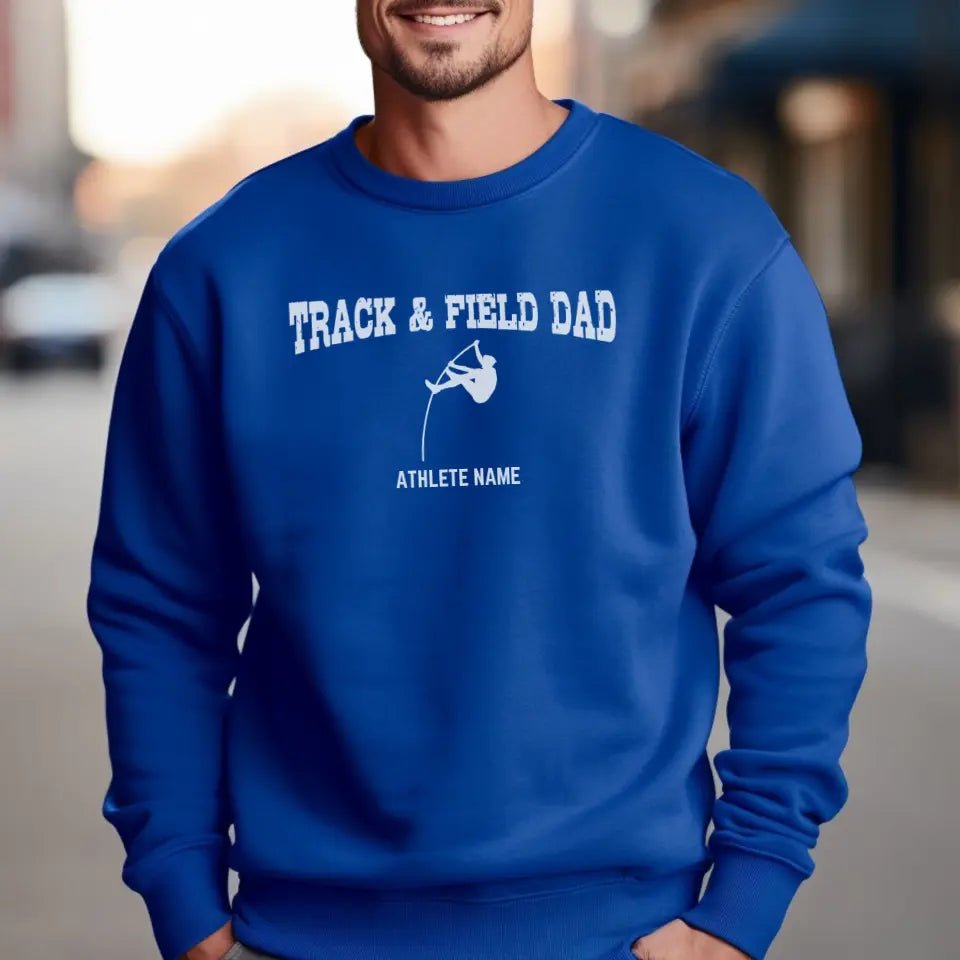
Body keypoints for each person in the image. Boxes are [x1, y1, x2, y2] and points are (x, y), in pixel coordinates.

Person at [85, 3, 873, 960]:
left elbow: (801, 580)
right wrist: (182, 892)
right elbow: (158, 605)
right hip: (301, 933)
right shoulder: (224, 269)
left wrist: (745, 898)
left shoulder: (702, 241)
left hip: (621, 934)